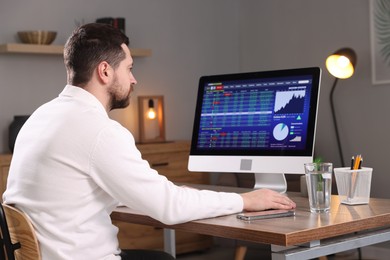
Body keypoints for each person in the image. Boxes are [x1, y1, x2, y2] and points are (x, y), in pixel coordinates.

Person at [3, 23, 296, 260]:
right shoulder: (100, 131)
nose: (134, 80)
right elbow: (168, 208)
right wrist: (244, 199)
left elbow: (69, 186)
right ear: (105, 71)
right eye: (129, 68)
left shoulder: (40, 117)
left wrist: (157, 193)